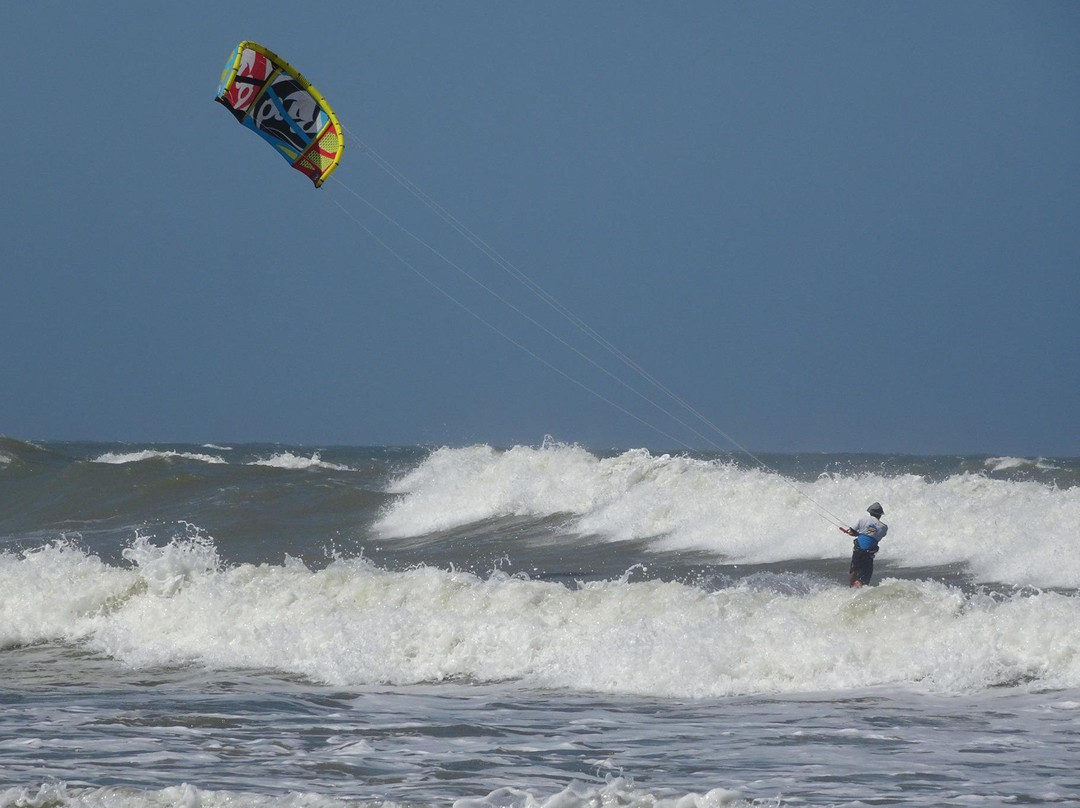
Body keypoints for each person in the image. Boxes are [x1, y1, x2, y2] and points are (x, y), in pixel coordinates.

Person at [840, 502, 888, 587]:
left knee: (854, 569)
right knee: (866, 574)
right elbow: (873, 534)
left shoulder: (863, 519)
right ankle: (861, 585)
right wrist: (862, 533)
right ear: (880, 515)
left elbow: (852, 532)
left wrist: (852, 532)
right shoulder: (884, 527)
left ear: (870, 512)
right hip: (869, 552)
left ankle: (851, 586)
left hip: (859, 550)